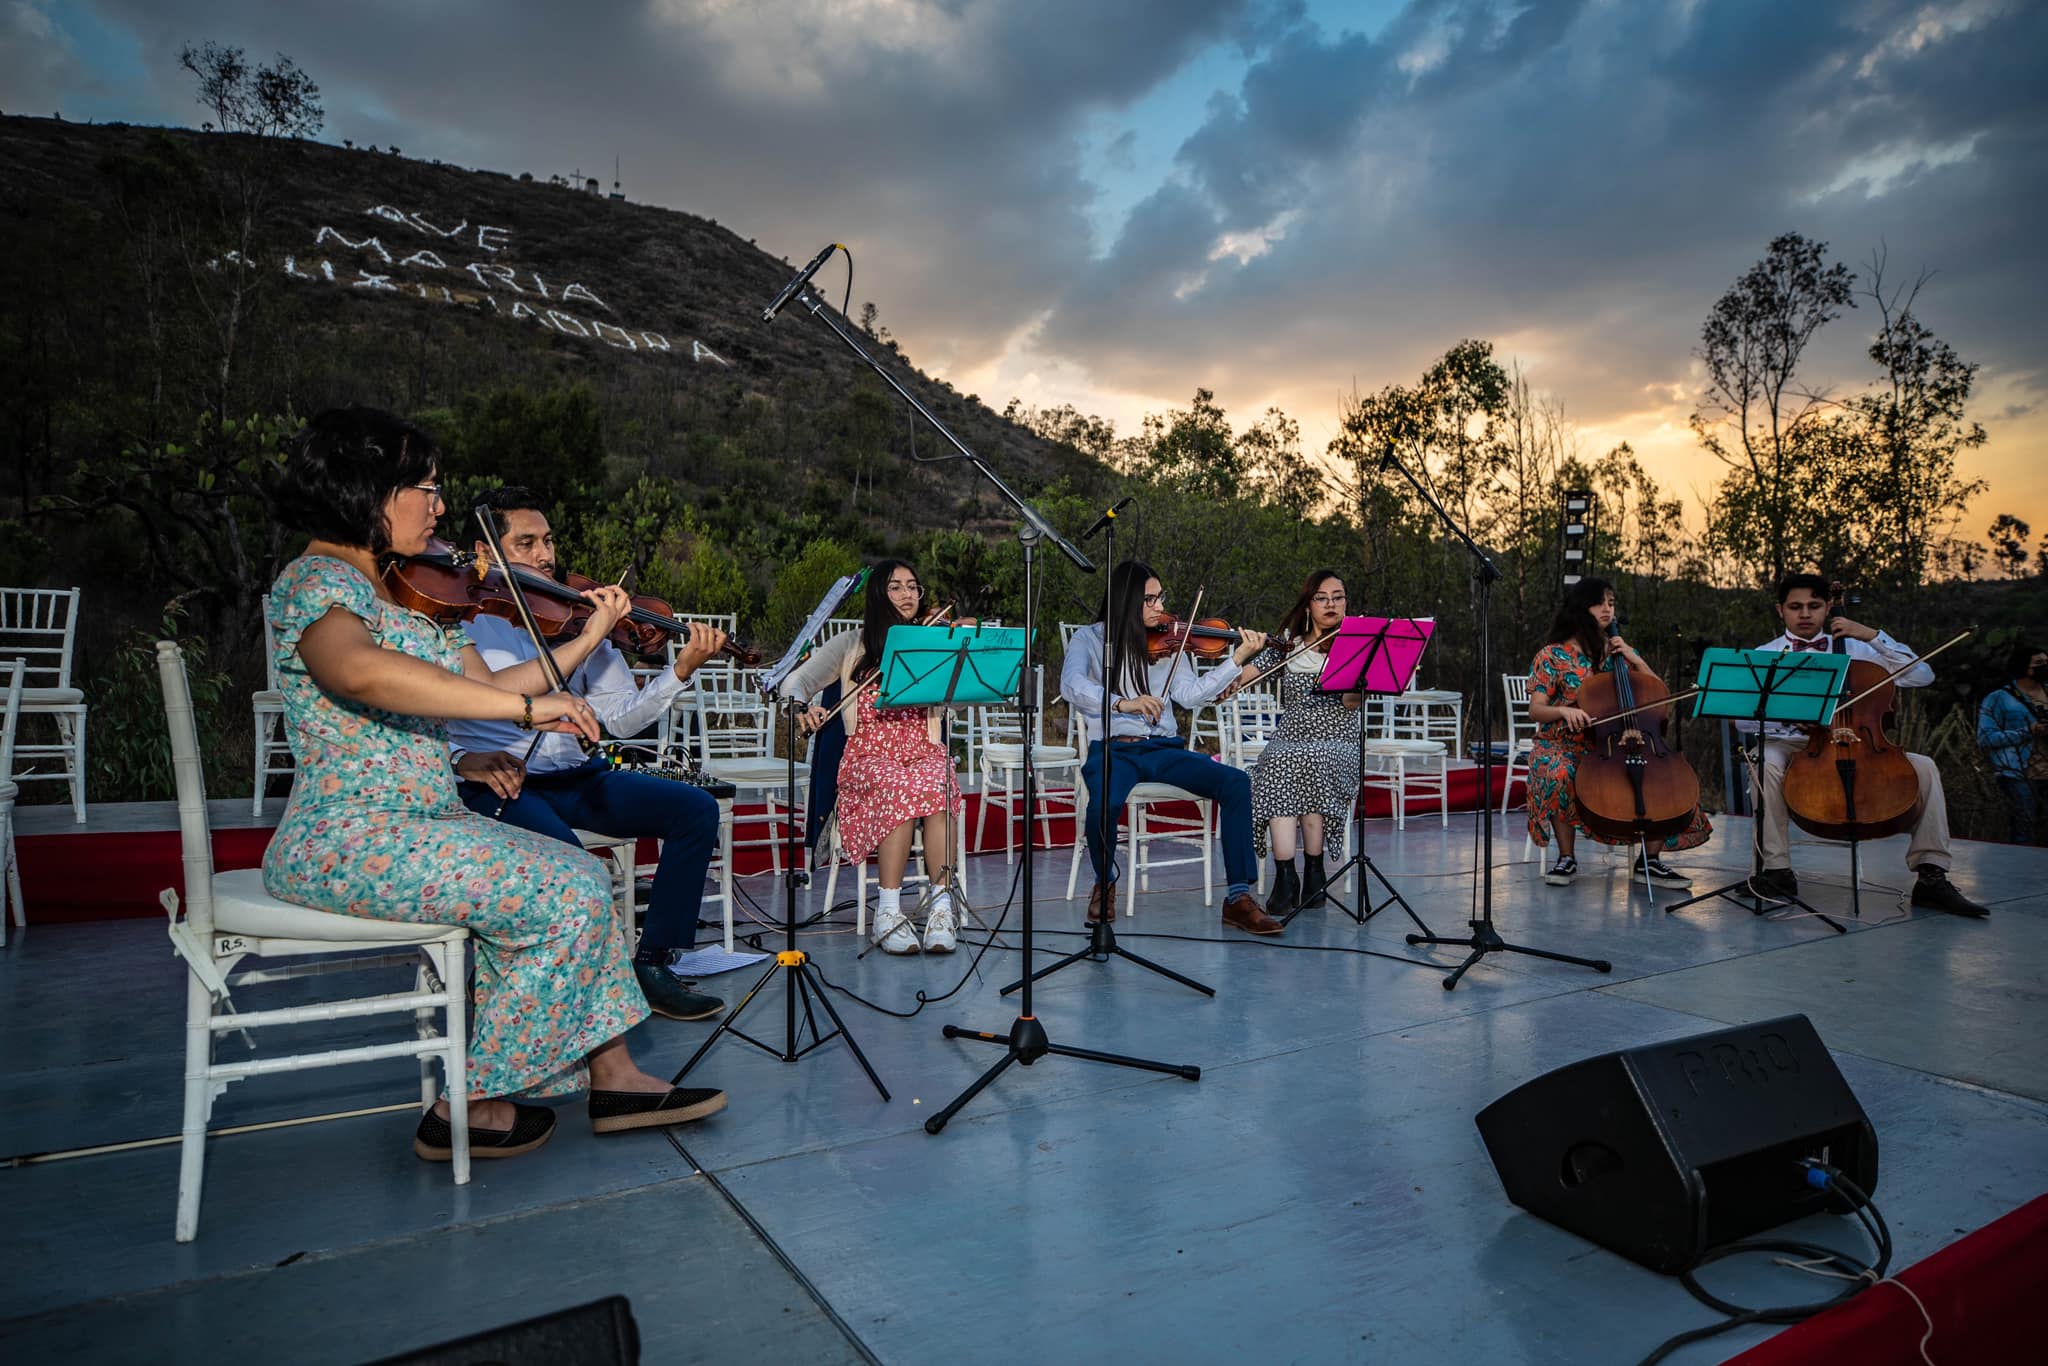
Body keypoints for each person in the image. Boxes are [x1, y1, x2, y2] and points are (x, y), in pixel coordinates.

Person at [261, 406, 726, 1164]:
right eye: (427, 488)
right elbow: (357, 669)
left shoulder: (400, 587)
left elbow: (494, 677)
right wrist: (523, 710)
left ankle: (612, 1073)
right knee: (565, 891)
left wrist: (580, 644)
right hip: (350, 834)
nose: (439, 506)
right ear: (367, 489)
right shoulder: (318, 579)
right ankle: (468, 1101)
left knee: (579, 874)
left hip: (423, 821)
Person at [444, 485, 729, 1022]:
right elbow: (481, 697)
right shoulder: (463, 616)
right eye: (526, 543)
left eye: (548, 541)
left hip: (578, 776)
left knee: (695, 809)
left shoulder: (574, 617)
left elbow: (618, 718)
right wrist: (461, 759)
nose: (545, 556)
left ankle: (652, 964)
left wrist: (680, 671)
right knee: (575, 865)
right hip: (501, 778)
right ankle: (552, 992)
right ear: (485, 553)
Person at [1745, 573, 1988, 916]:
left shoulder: (1858, 647)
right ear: (1780, 610)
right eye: (1795, 607)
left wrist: (1873, 636)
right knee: (1763, 762)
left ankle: (1932, 876)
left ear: (1828, 607)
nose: (1805, 614)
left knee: (1925, 767)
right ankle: (1776, 870)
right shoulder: (1765, 655)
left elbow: (1922, 676)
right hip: (1794, 744)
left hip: (1860, 740)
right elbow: (1742, 719)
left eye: (1814, 606)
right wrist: (1792, 717)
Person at [1061, 560, 1280, 934]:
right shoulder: (1091, 639)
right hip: (1115, 750)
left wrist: (1236, 660)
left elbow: (1192, 696)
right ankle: (1105, 882)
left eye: (1160, 597)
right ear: (1126, 601)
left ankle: (1239, 898)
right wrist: (1121, 703)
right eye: (1149, 599)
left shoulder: (1171, 642)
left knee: (1236, 783)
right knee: (1104, 804)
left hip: (1164, 749)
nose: (1160, 607)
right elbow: (1072, 684)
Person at [783, 560, 965, 955]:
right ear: (878, 594)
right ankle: (888, 912)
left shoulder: (931, 640)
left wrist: (959, 657)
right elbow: (796, 680)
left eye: (913, 587)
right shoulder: (852, 643)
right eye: (896, 587)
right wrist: (802, 706)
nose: (908, 595)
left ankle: (941, 908)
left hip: (922, 749)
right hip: (868, 754)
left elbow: (959, 701)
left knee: (938, 781)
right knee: (898, 785)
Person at [1525, 577, 1711, 888]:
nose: (1608, 609)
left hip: (1617, 742)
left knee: (1666, 778)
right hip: (1565, 743)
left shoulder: (1618, 652)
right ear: (1581, 607)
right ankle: (1566, 857)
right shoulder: (1552, 656)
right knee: (1558, 771)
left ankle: (1649, 861)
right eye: (1600, 602)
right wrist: (1564, 710)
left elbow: (1658, 694)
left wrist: (1634, 658)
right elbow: (1536, 709)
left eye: (1612, 603)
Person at [1247, 569, 1361, 919]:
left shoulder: (1355, 642)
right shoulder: (1288, 643)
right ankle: (1289, 876)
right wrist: (1231, 672)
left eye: (1338, 597)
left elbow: (1351, 705)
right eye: (1322, 598)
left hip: (1337, 736)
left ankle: (1312, 872)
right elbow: (1247, 674)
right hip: (1290, 735)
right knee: (1279, 763)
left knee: (1304, 761)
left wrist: (1355, 676)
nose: (1331, 604)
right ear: (1308, 604)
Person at [1975, 643, 2048, 846]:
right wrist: (2028, 732)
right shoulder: (1998, 698)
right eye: (2039, 663)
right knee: (2023, 829)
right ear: (2023, 667)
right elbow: (1985, 738)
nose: (2044, 667)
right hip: (2017, 773)